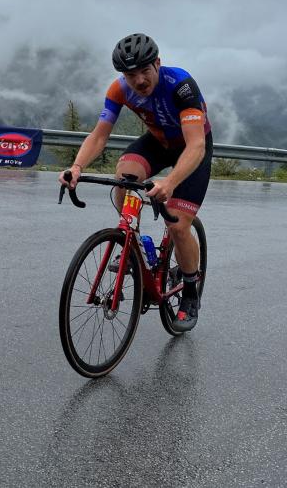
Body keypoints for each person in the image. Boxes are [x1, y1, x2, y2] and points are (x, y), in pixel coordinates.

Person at [58, 33, 212, 331]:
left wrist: (170, 182)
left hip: (193, 147)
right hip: (157, 143)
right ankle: (134, 243)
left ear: (158, 63)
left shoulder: (180, 86)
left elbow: (196, 146)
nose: (139, 80)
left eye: (145, 71)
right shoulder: (119, 90)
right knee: (124, 178)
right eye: (131, 74)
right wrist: (76, 167)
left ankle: (190, 292)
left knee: (178, 225)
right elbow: (100, 135)